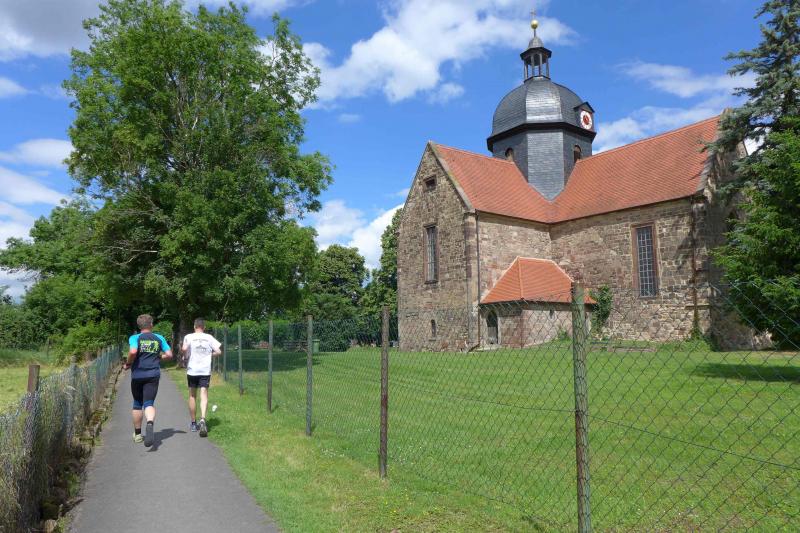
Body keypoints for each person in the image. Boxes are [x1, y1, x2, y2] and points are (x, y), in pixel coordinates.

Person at [124, 314, 173, 447]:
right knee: (149, 403)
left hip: (138, 375)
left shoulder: (135, 337)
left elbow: (133, 351)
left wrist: (128, 363)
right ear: (151, 324)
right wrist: (159, 357)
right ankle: (150, 423)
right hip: (153, 374)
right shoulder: (159, 338)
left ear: (139, 326)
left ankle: (138, 435)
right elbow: (169, 355)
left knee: (137, 404)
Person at [180, 318, 222, 437]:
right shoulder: (209, 337)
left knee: (192, 395)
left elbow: (184, 349)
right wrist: (210, 354)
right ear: (204, 327)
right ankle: (202, 419)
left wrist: (184, 356)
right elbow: (219, 351)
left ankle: (193, 423)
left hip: (192, 370)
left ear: (194, 326)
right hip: (205, 370)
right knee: (204, 395)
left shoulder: (189, 337)